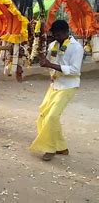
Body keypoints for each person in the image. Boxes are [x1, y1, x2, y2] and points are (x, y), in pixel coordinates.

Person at [30, 20, 84, 161]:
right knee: (43, 114)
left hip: (69, 85)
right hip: (55, 84)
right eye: (55, 35)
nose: (57, 38)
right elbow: (47, 61)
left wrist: (50, 65)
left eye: (59, 35)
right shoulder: (53, 45)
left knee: (52, 117)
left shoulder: (76, 47)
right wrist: (40, 54)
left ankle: (50, 148)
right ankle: (61, 147)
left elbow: (74, 70)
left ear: (67, 32)